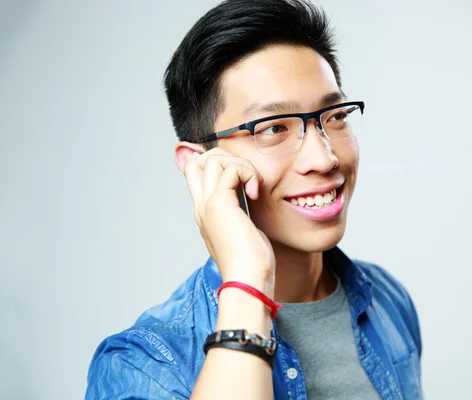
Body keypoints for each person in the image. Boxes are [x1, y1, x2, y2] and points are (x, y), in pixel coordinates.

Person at [85, 0, 423, 399]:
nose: (325, 158)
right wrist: (248, 276)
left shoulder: (387, 300)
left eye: (334, 116)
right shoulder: (144, 365)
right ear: (200, 164)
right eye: (273, 128)